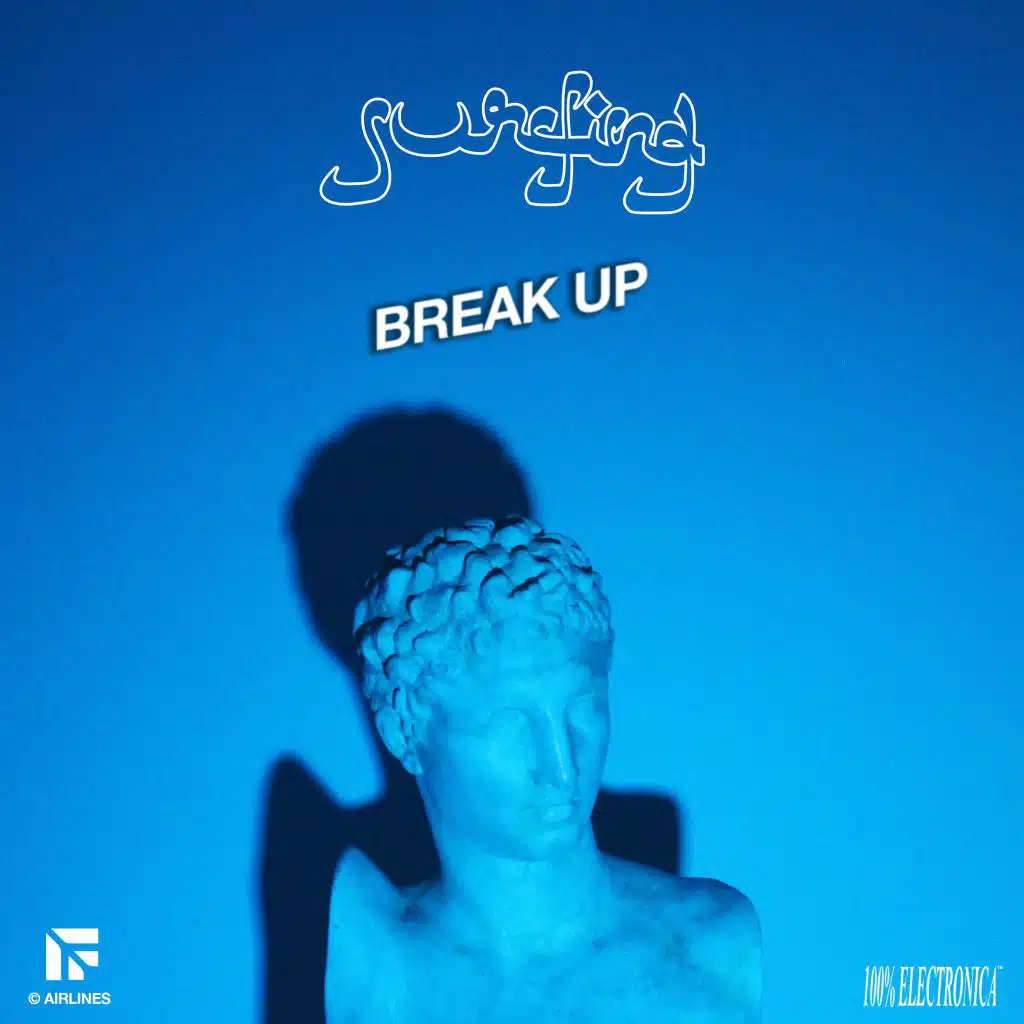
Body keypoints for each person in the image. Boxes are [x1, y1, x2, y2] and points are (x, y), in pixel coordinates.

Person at [325, 515, 761, 1023]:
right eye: (511, 724)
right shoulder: (370, 967)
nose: (562, 767)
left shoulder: (713, 947)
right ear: (404, 730)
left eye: (583, 708)